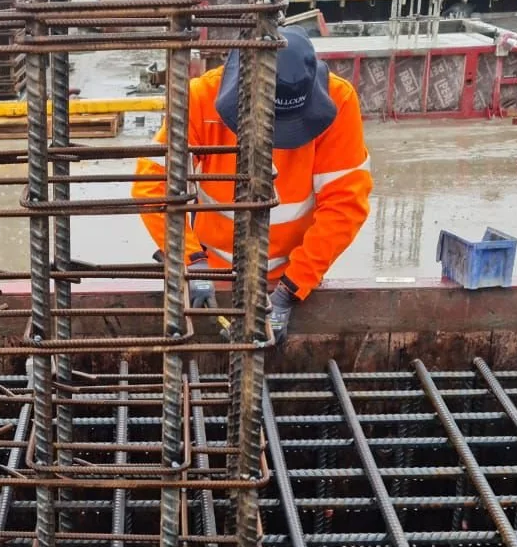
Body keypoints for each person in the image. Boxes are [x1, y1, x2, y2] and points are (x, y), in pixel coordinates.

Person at [133, 27, 371, 346]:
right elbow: (152, 186)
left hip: (289, 277)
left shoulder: (338, 103)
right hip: (213, 274)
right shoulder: (201, 99)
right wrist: (191, 263)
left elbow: (345, 204)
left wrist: (290, 289)